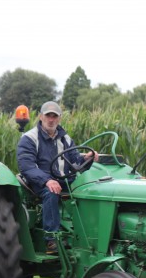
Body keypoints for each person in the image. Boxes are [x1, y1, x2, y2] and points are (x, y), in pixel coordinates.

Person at [17, 101, 97, 254]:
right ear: (41, 117)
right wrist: (47, 180)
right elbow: (27, 166)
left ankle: (87, 235)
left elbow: (75, 162)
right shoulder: (30, 138)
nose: (51, 119)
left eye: (55, 116)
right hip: (38, 181)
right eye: (48, 116)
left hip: (64, 180)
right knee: (52, 192)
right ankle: (51, 238)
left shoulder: (65, 138)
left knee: (87, 190)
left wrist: (87, 158)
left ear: (59, 118)